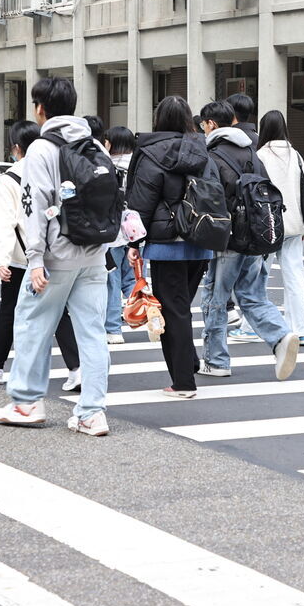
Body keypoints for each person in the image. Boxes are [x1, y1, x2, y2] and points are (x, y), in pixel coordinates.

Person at [0, 77, 112, 436]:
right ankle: (92, 412)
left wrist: (34, 259)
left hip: (56, 256)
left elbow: (34, 207)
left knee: (32, 324)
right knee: (92, 332)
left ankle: (27, 403)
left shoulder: (42, 149)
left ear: (41, 108)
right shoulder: (94, 145)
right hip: (94, 254)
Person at [199, 100, 299, 381]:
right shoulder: (254, 153)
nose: (203, 129)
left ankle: (216, 360)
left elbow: (210, 199)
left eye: (203, 124)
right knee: (252, 295)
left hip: (228, 240)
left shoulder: (212, 156)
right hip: (256, 238)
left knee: (215, 299)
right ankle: (281, 336)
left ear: (212, 124)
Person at [0, 120, 81, 386]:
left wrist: (2, 260)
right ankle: (77, 368)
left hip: (22, 257)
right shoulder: (55, 170)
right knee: (59, 310)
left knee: (9, 311)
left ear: (16, 147)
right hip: (56, 252)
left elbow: (5, 224)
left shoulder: (9, 178)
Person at [124, 96, 214, 398]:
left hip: (166, 243)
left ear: (158, 119)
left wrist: (134, 243)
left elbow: (141, 202)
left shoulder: (151, 152)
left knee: (172, 311)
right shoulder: (202, 149)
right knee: (181, 308)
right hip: (200, 239)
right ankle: (189, 362)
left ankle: (183, 382)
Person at [256, 110, 304, 346]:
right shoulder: (295, 155)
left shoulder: (260, 155)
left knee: (258, 277)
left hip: (268, 225)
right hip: (295, 225)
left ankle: (253, 326)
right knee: (295, 277)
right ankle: (301, 329)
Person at [102, 125, 136, 344]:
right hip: (135, 230)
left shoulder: (106, 165)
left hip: (113, 232)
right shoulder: (137, 166)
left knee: (112, 282)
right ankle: (150, 314)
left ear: (110, 143)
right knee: (132, 279)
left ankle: (113, 329)